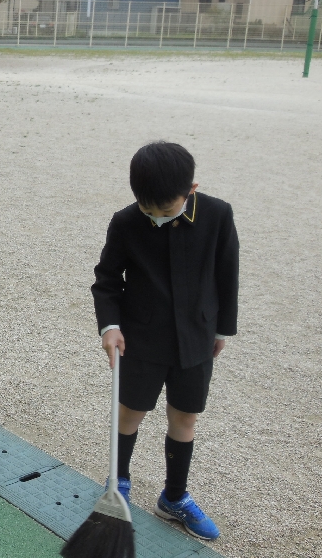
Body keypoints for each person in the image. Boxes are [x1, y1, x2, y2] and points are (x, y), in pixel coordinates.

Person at [91, 142, 239, 540]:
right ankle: (118, 481)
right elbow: (106, 282)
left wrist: (222, 328)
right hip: (140, 339)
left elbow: (228, 273)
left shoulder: (218, 215)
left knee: (185, 417)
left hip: (196, 339)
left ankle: (174, 497)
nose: (155, 216)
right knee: (130, 413)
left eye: (166, 209)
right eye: (148, 209)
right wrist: (110, 327)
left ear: (191, 189)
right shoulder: (125, 222)